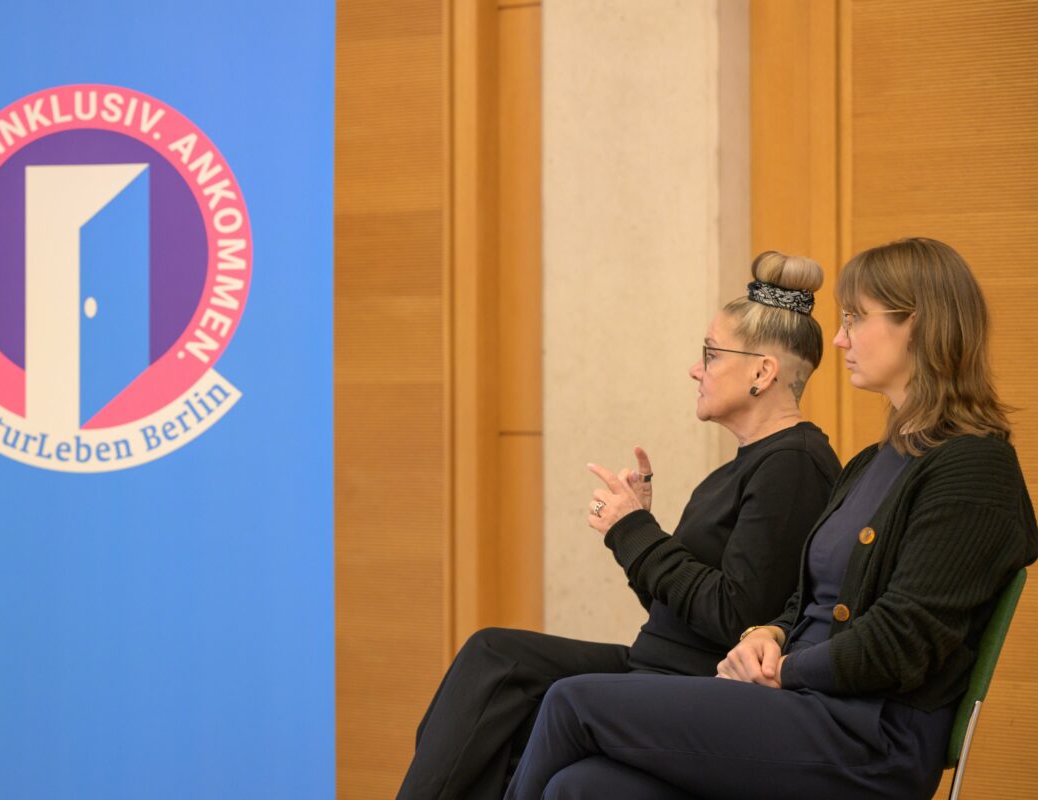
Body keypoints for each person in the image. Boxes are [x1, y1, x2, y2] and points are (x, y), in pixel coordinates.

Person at [503, 237, 1038, 800]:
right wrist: (772, 632)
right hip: (810, 707)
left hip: (869, 737)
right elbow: (809, 598)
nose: (840, 338)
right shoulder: (873, 461)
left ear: (918, 325)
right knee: (583, 785)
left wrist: (784, 669)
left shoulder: (974, 469)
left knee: (572, 702)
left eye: (856, 318)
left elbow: (901, 639)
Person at [397, 252, 843, 800]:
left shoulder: (793, 465)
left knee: (519, 715)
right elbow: (677, 609)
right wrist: (635, 535)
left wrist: (638, 535)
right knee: (494, 660)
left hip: (691, 685)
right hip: (655, 662)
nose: (696, 369)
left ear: (762, 372)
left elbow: (737, 616)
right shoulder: (751, 464)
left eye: (710, 353)